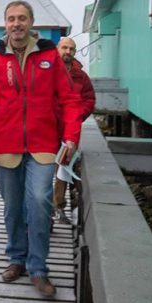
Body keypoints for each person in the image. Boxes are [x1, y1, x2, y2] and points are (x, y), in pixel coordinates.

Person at [0, 1, 82, 298]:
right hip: (5, 146)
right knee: (13, 207)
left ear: (31, 22)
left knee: (39, 199)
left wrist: (71, 137)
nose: (16, 23)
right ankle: (16, 258)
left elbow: (70, 100)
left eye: (21, 18)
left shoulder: (49, 56)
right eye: (10, 19)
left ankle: (38, 268)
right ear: (4, 24)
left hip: (43, 145)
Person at [52, 37, 95, 224]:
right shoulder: (46, 71)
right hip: (47, 131)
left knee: (63, 172)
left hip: (70, 134)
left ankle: (59, 208)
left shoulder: (81, 76)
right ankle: (43, 212)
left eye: (71, 49)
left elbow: (89, 100)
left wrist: (77, 115)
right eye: (64, 48)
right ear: (57, 49)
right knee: (42, 172)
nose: (67, 51)